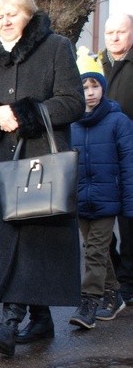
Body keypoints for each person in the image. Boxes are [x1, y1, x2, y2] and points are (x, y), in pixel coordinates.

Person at [0, 0, 85, 355]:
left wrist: (23, 113)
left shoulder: (56, 47)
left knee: (31, 240)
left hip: (39, 161)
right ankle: (41, 317)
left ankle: (9, 322)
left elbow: (73, 101)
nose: (4, 18)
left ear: (29, 16)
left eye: (13, 12)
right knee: (6, 241)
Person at [68, 49, 133, 329]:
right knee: (99, 249)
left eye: (95, 85)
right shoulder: (70, 124)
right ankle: (114, 293)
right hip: (82, 199)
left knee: (94, 251)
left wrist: (129, 204)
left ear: (103, 88)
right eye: (84, 87)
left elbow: (129, 164)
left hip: (108, 199)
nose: (90, 92)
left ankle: (89, 302)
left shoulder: (118, 121)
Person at [100, 13, 133, 308]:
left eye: (121, 32)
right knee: (100, 226)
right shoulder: (96, 64)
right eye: (110, 32)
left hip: (129, 155)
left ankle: (130, 282)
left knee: (130, 223)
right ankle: (117, 280)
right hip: (100, 157)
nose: (114, 37)